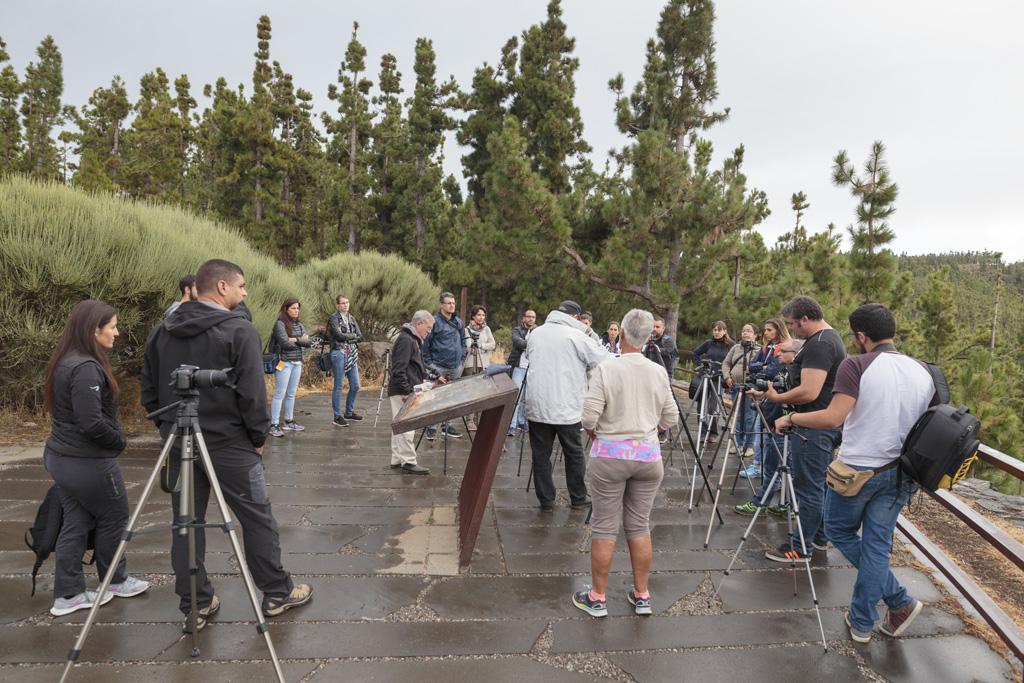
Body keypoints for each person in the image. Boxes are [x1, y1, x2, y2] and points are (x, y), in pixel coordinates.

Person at [141, 258, 312, 632]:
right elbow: (253, 392)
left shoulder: (161, 330)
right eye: (242, 286)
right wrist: (258, 437)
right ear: (221, 287)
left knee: (186, 523)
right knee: (256, 518)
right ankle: (276, 592)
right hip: (231, 444)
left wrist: (164, 424)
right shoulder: (239, 330)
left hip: (179, 441)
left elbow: (149, 388)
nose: (245, 292)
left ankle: (196, 603)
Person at [774, 303, 932, 643]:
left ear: (861, 336)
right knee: (876, 545)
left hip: (859, 470)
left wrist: (792, 418)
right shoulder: (922, 370)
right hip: (904, 471)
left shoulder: (856, 365)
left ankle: (896, 602)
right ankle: (867, 619)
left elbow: (832, 417)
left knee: (838, 530)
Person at [42, 300, 150, 617]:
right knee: (114, 518)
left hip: (63, 458)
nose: (117, 332)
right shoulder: (85, 367)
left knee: (75, 523)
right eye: (113, 326)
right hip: (86, 462)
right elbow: (91, 422)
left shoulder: (67, 360)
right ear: (94, 330)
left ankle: (69, 594)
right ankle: (115, 581)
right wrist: (119, 441)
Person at [572, 309, 679, 618]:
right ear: (648, 336)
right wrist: (649, 432)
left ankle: (597, 597)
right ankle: (642, 595)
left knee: (605, 526)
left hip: (610, 456)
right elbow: (670, 417)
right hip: (647, 457)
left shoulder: (608, 369)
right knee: (639, 524)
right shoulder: (658, 372)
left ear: (622, 335)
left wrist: (597, 431)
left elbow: (588, 416)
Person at [757, 295, 846, 562]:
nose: (792, 329)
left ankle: (799, 547)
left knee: (809, 488)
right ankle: (818, 537)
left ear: (805, 319)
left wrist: (777, 399)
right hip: (817, 425)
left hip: (814, 428)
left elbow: (809, 391)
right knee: (818, 485)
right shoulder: (828, 340)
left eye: (793, 324)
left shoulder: (820, 344)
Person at [524, 300, 610, 511]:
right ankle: (578, 497)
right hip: (566, 406)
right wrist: (590, 334)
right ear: (575, 318)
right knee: (574, 453)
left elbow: (528, 356)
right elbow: (602, 358)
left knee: (540, 455)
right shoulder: (577, 336)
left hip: (538, 405)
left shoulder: (536, 333)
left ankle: (546, 500)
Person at [733, 337, 802, 517]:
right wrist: (760, 393)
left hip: (785, 426)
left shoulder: (799, 373)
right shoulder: (785, 370)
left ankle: (767, 504)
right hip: (774, 422)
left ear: (795, 354)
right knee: (774, 466)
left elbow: (788, 396)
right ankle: (784, 504)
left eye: (783, 351)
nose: (778, 354)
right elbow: (777, 390)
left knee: (780, 468)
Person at [387, 310, 435, 475]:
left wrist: (429, 376)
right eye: (427, 329)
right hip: (403, 390)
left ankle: (397, 459)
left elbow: (415, 365)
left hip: (406, 388)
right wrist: (407, 391)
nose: (428, 333)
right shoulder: (406, 340)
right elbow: (398, 369)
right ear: (418, 324)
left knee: (399, 426)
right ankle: (408, 461)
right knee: (407, 427)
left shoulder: (412, 339)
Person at [422, 291, 466, 440]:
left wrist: (461, 360)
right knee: (433, 396)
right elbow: (426, 345)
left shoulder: (458, 322)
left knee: (451, 397)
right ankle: (431, 427)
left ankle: (447, 426)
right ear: (441, 305)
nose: (452, 305)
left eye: (453, 303)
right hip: (438, 366)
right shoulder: (434, 322)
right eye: (449, 303)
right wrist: (430, 365)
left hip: (455, 367)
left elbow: (463, 342)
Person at [268, 298, 312, 437]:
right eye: (293, 308)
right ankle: (274, 424)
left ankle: (289, 421)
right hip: (284, 362)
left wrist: (294, 339)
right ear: (286, 309)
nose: (296, 311)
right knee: (279, 394)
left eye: (298, 308)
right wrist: (300, 339)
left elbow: (308, 343)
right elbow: (285, 343)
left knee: (291, 394)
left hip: (297, 362)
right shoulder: (279, 324)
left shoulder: (299, 325)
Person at [721, 323, 759, 462]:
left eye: (749, 331)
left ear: (755, 335)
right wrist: (727, 377)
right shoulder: (736, 348)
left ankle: (749, 446)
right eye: (743, 331)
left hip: (750, 387)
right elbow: (725, 363)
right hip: (736, 386)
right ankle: (737, 443)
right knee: (737, 415)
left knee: (749, 417)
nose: (745, 333)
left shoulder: (758, 349)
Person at [328, 294, 364, 427]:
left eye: (347, 302)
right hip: (339, 353)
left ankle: (349, 412)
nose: (345, 305)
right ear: (338, 305)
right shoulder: (334, 318)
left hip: (352, 354)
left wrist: (349, 337)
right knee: (338, 386)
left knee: (355, 385)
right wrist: (352, 336)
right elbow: (338, 336)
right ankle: (337, 416)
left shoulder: (352, 318)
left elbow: (360, 336)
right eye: (343, 303)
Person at [691, 321, 733, 434]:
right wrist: (701, 366)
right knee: (701, 406)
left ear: (725, 331)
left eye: (719, 330)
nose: (716, 332)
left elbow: (733, 362)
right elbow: (696, 353)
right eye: (714, 329)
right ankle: (703, 431)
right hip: (705, 377)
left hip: (718, 378)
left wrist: (728, 375)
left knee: (714, 407)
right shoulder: (708, 343)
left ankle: (713, 432)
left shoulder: (731, 345)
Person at [506, 309, 537, 436]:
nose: (531, 319)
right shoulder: (517, 330)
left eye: (533, 317)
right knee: (516, 397)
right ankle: (511, 425)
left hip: (532, 368)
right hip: (518, 367)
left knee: (526, 398)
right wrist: (532, 344)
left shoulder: (538, 331)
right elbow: (518, 342)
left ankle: (521, 421)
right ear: (523, 318)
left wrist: (528, 344)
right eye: (528, 317)